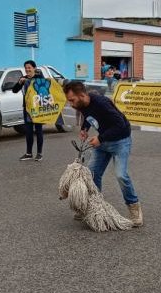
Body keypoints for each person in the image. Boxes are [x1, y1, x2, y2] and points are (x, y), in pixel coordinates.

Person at [63, 81, 143, 227]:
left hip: (120, 141)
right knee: (92, 174)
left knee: (121, 175)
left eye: (72, 100)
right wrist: (84, 128)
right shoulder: (83, 103)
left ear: (81, 95)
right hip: (103, 141)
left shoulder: (102, 103)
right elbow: (88, 115)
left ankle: (134, 208)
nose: (71, 104)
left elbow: (120, 125)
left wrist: (100, 138)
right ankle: (94, 207)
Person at [13, 60, 44, 161]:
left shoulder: (40, 78)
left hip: (38, 108)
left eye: (29, 67)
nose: (27, 69)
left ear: (34, 68)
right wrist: (19, 82)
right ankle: (28, 153)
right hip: (27, 109)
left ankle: (39, 153)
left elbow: (45, 89)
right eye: (26, 68)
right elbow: (14, 90)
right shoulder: (24, 78)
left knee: (39, 130)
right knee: (29, 131)